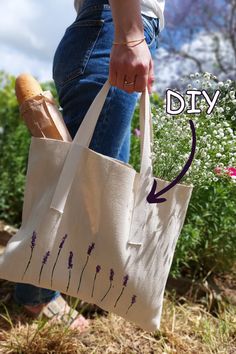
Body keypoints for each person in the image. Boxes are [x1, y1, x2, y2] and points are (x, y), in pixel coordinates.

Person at [14, 0, 165, 331]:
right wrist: (131, 36)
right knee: (83, 183)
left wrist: (140, 39)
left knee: (104, 188)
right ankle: (37, 294)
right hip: (112, 28)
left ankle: (70, 284)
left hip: (112, 29)